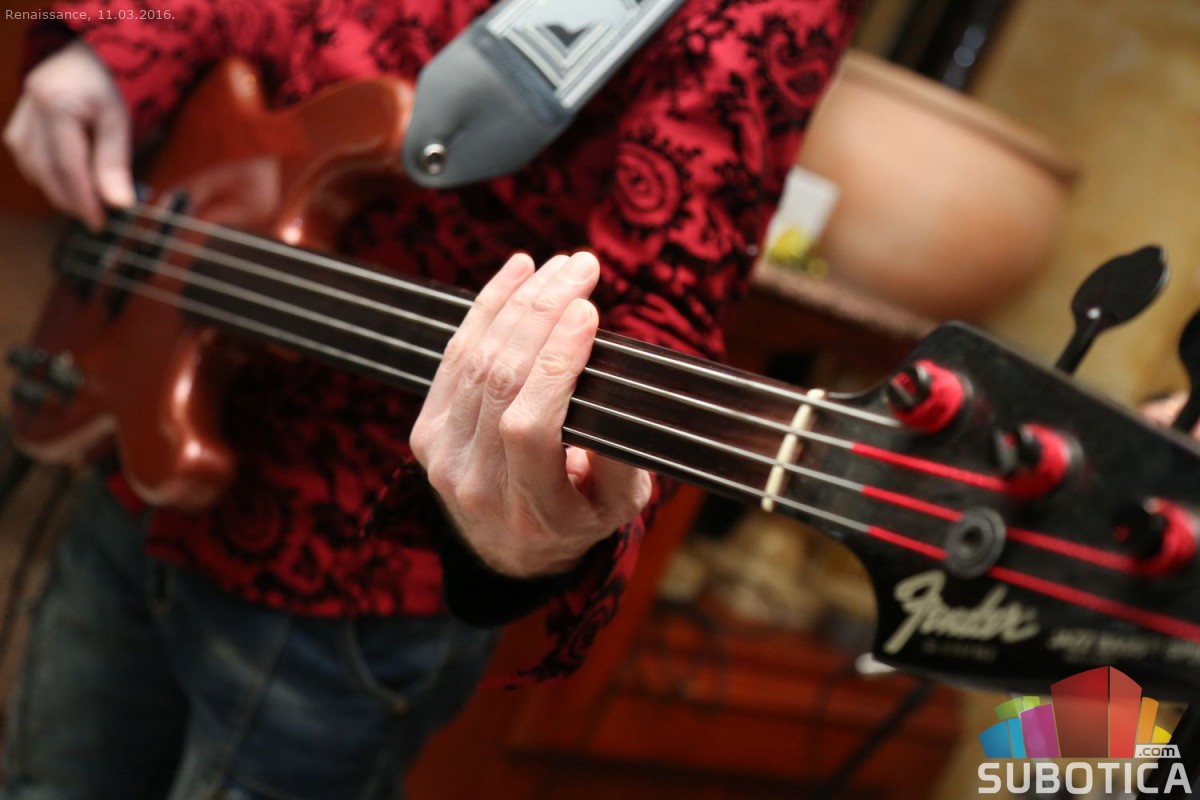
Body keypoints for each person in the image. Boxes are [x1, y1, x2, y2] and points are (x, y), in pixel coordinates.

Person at [1, 1, 861, 797]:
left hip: (336, 569)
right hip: (136, 427)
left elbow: (666, 306)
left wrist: (551, 510)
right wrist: (120, 43)